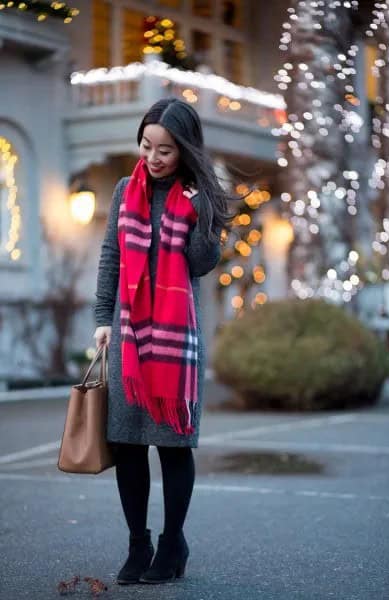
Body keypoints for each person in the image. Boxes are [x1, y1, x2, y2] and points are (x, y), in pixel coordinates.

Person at [93, 98, 231, 585]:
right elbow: (111, 254)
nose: (153, 157)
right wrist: (101, 316)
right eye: (147, 145)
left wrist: (200, 213)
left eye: (166, 150)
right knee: (127, 444)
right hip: (128, 336)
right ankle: (138, 543)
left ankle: (173, 544)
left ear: (186, 151)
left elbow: (199, 263)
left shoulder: (198, 197)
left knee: (173, 447)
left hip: (175, 340)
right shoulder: (123, 191)